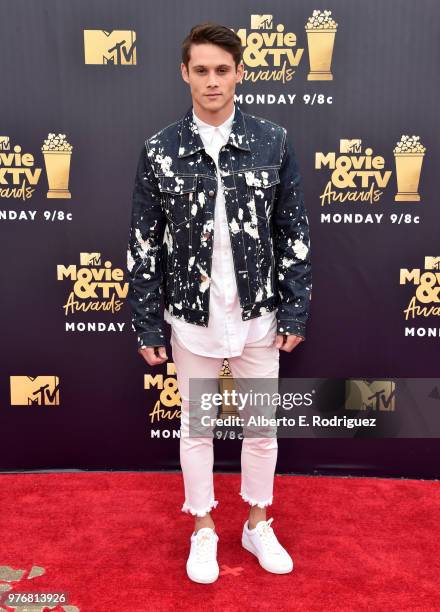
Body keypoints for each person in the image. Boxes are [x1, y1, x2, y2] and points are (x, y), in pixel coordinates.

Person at [126, 22, 312, 584]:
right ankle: (203, 528)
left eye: (222, 70)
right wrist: (146, 324)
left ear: (239, 72)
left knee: (260, 427)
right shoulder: (160, 149)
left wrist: (296, 309)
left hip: (258, 314)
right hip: (190, 318)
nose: (212, 81)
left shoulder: (273, 141)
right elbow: (142, 241)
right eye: (201, 70)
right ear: (185, 73)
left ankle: (257, 523)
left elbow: (293, 232)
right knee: (197, 428)